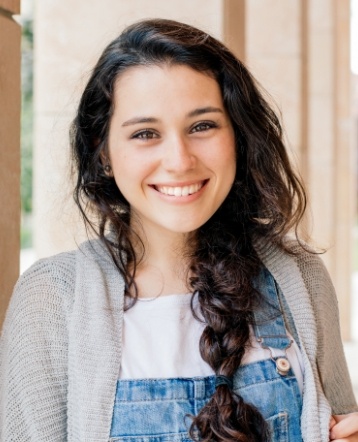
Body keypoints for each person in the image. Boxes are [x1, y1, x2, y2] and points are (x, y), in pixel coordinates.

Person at [0, 18, 357, 442]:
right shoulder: (53, 299)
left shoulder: (299, 278)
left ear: (238, 135)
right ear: (104, 153)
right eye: (145, 133)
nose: (179, 159)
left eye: (202, 126)